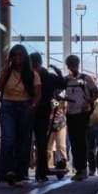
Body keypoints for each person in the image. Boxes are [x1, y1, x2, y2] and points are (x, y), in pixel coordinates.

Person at [0, 44, 40, 186]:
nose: (18, 57)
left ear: (25, 57)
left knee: (23, 141)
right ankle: (5, 172)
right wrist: (6, 68)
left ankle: (19, 173)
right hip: (7, 106)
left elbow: (38, 94)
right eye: (15, 54)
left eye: (21, 55)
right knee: (8, 139)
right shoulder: (7, 72)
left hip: (25, 107)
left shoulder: (32, 74)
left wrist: (33, 105)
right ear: (11, 57)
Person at [63, 54, 98, 181]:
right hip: (70, 114)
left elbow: (97, 93)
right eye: (70, 66)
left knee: (81, 142)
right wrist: (59, 103)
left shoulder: (85, 78)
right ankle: (79, 169)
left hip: (82, 114)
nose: (72, 68)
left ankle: (82, 169)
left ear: (77, 65)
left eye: (74, 65)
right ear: (67, 66)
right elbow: (57, 95)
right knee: (74, 142)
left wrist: (88, 102)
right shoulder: (66, 80)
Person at [30, 52, 63, 182]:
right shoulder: (46, 75)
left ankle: (41, 170)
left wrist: (58, 72)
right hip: (40, 112)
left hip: (39, 112)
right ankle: (41, 171)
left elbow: (60, 86)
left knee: (41, 143)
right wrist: (58, 72)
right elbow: (61, 84)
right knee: (41, 143)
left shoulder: (38, 75)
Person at [45, 97, 68, 174]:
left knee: (61, 146)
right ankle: (48, 165)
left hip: (61, 124)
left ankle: (63, 163)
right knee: (48, 148)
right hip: (49, 125)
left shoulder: (61, 96)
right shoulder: (47, 95)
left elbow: (65, 109)